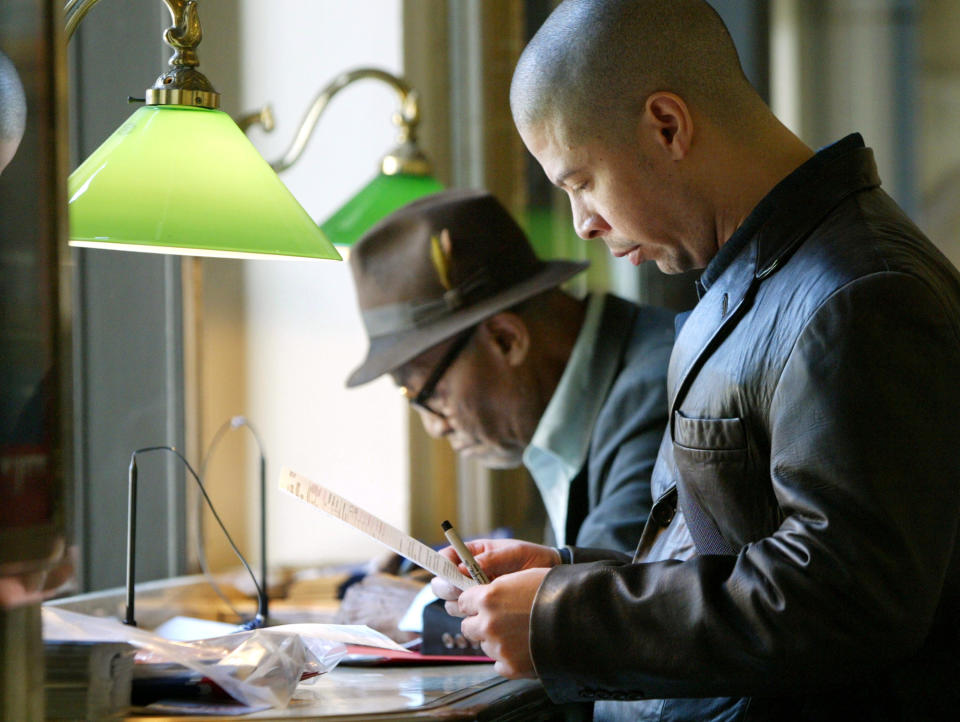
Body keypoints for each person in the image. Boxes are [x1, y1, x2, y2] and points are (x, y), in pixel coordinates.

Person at [430, 1, 960, 720]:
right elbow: (728, 554)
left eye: (581, 181)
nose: (584, 222)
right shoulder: (745, 283)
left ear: (667, 126)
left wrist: (568, 620)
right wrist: (568, 575)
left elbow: (843, 600)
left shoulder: (863, 295)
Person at [345, 188, 676, 553]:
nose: (435, 426)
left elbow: (607, 592)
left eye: (431, 394)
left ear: (505, 339)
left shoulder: (658, 387)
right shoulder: (581, 403)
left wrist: (418, 608)